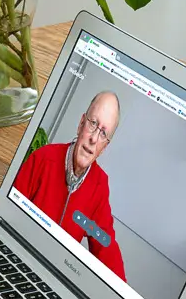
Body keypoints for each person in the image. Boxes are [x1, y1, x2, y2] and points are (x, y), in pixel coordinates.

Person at [11, 91, 126, 279]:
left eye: (103, 133)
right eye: (93, 124)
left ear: (104, 147)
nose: (94, 138)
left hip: (54, 278)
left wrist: (121, 292)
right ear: (81, 124)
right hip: (19, 258)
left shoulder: (99, 186)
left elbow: (104, 242)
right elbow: (8, 213)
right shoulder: (43, 159)